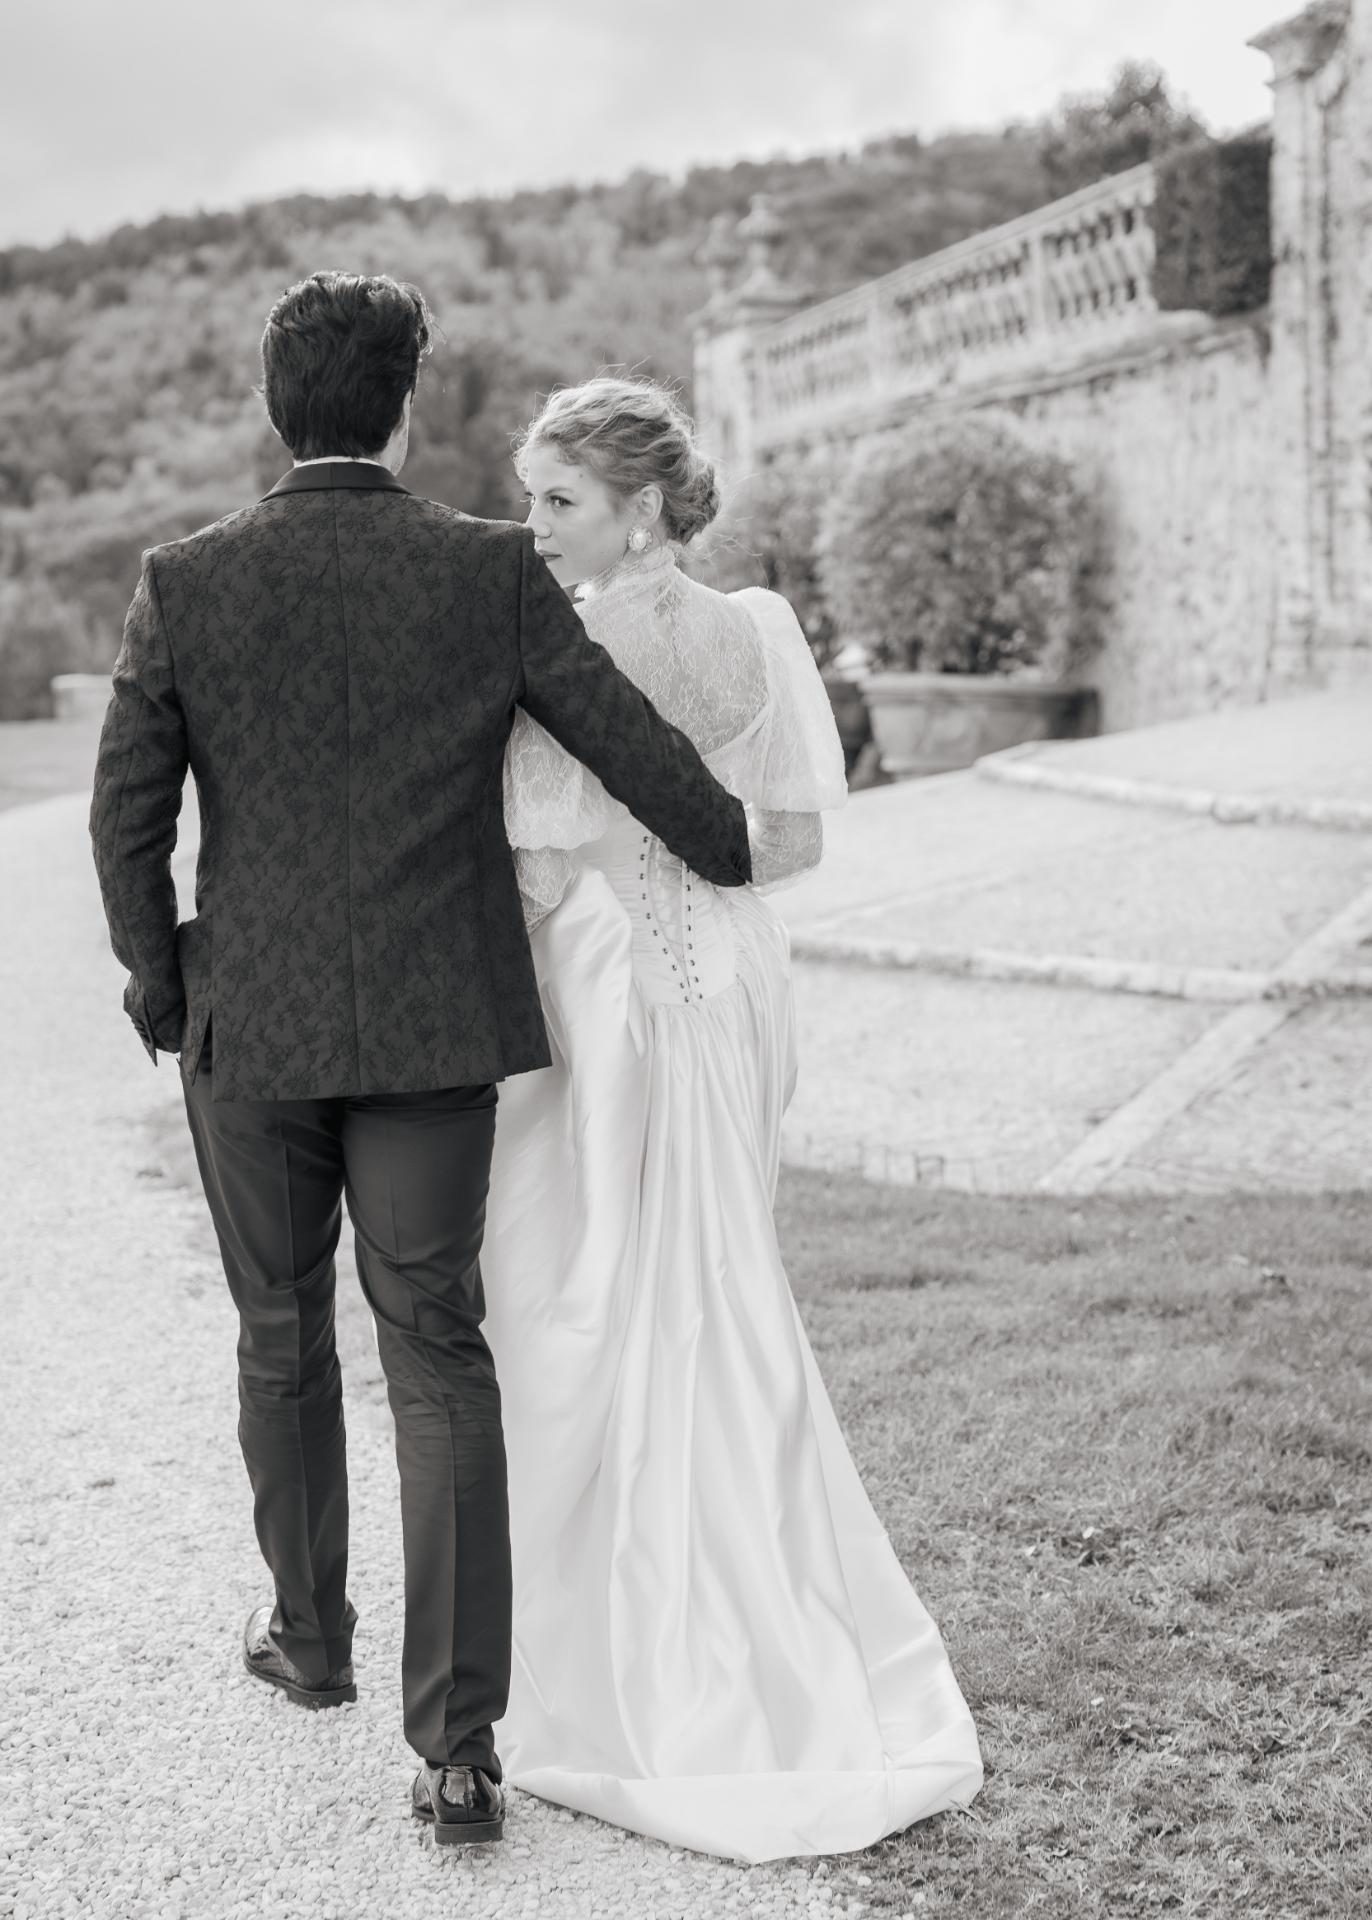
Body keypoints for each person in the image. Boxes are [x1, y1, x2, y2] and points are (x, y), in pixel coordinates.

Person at [87, 275, 753, 1849]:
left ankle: (308, 1642)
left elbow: (130, 813)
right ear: (403, 406)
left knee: (276, 1331)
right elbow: (622, 737)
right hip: (438, 1026)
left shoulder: (183, 580)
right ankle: (459, 1751)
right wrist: (727, 845)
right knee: (436, 1352)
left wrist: (163, 984)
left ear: (277, 403)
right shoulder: (491, 573)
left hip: (252, 1025)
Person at [481, 376, 984, 1864]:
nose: (533, 524)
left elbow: (531, 859)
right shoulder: (757, 631)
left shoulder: (566, 642)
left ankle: (628, 1643)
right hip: (733, 986)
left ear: (637, 505)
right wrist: (691, 889)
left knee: (590, 1292)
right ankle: (750, 1583)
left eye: (557, 499)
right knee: (714, 1280)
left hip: (614, 999)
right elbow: (796, 844)